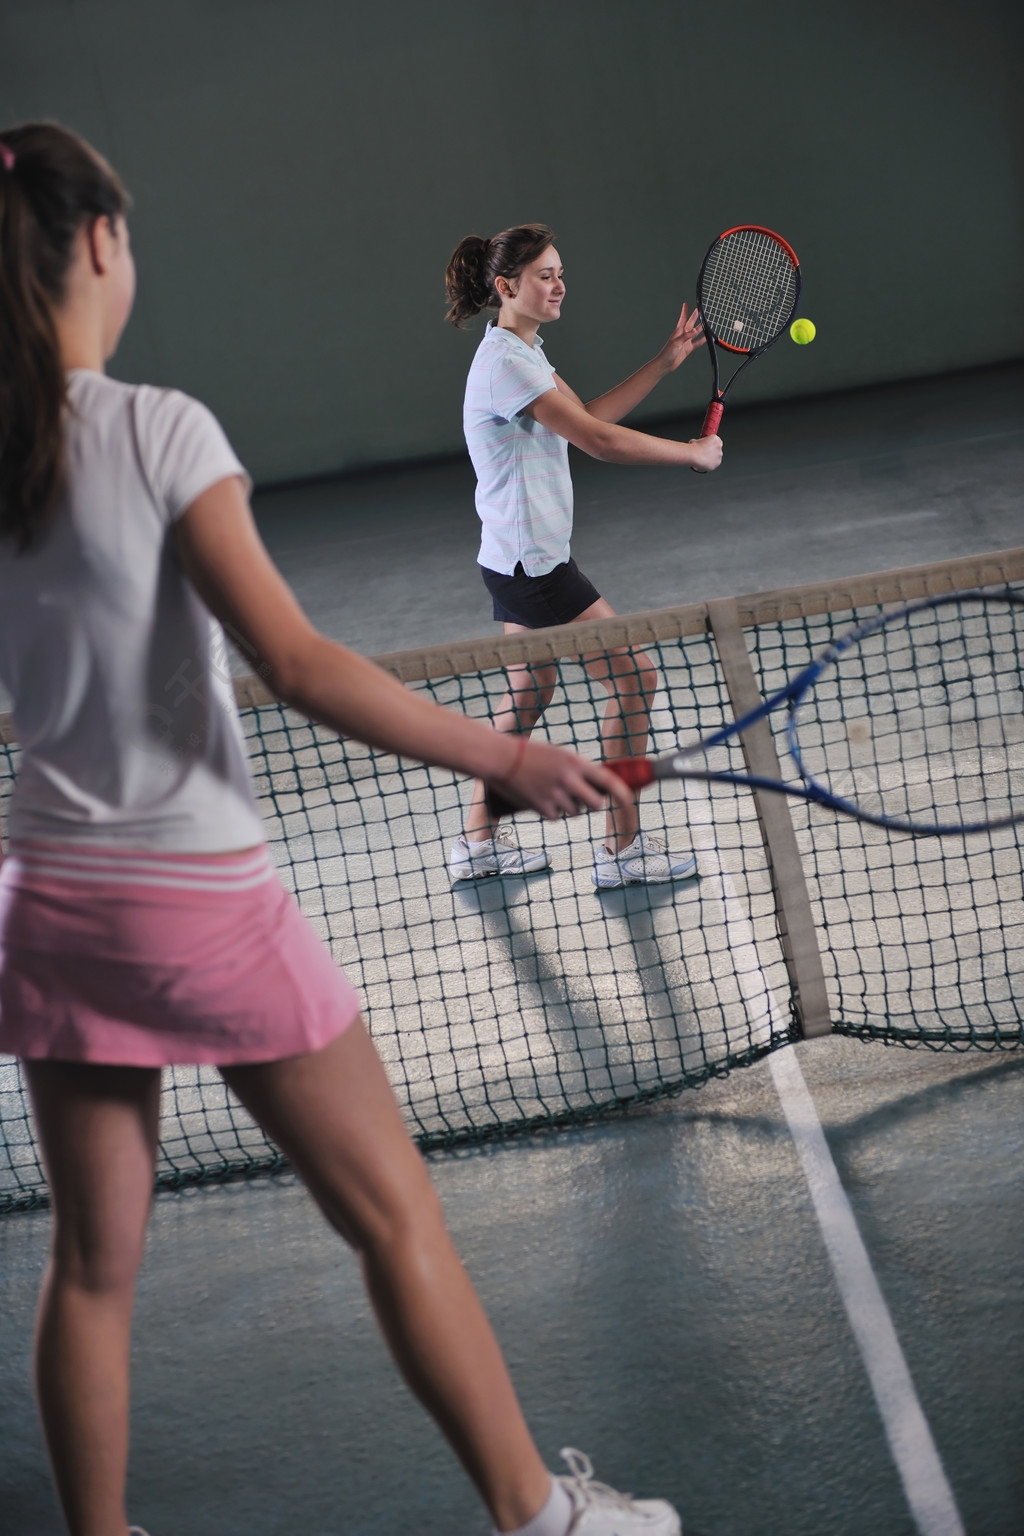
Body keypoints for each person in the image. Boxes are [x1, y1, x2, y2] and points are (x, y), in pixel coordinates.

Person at [0, 125, 688, 1536]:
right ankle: (538, 1515)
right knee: (396, 1219)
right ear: (98, 246)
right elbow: (300, 666)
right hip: (195, 896)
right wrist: (512, 757)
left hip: (47, 900)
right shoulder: (158, 429)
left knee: (90, 1268)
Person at [444, 224, 723, 889]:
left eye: (560, 272)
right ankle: (622, 852)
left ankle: (476, 843)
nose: (559, 284)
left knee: (532, 691)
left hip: (508, 560)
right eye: (544, 275)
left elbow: (586, 417)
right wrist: (689, 453)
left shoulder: (523, 351)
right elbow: (598, 442)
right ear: (507, 287)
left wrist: (663, 362)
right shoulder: (508, 363)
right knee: (637, 679)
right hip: (536, 569)